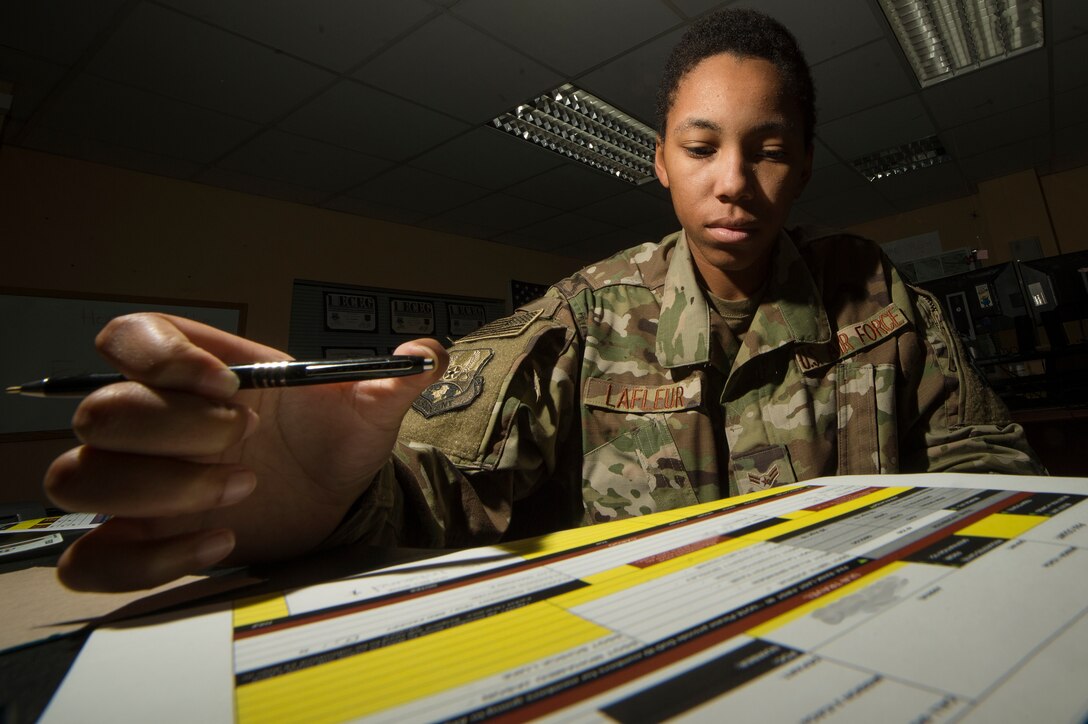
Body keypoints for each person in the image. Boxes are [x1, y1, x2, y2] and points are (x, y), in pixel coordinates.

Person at [44, 9, 1044, 592]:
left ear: (802, 165)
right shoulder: (587, 314)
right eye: (700, 147)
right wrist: (336, 497)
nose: (731, 179)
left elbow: (991, 471)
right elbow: (442, 484)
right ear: (659, 161)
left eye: (766, 148)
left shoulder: (878, 295)